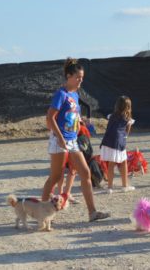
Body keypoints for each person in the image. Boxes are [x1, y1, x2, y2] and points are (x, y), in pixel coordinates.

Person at [42, 57, 110, 222]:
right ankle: (42, 210)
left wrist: (80, 123)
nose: (80, 80)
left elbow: (73, 114)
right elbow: (50, 118)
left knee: (85, 172)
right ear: (68, 76)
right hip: (60, 141)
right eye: (78, 77)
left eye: (82, 78)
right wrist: (59, 137)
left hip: (72, 141)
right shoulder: (61, 94)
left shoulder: (74, 94)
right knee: (56, 176)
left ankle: (92, 213)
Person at [100, 95, 135, 194]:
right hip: (118, 143)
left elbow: (109, 128)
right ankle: (125, 186)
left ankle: (110, 187)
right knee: (123, 162)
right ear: (128, 107)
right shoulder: (128, 119)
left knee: (111, 164)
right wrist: (124, 139)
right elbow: (126, 133)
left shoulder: (111, 116)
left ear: (117, 105)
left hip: (107, 141)